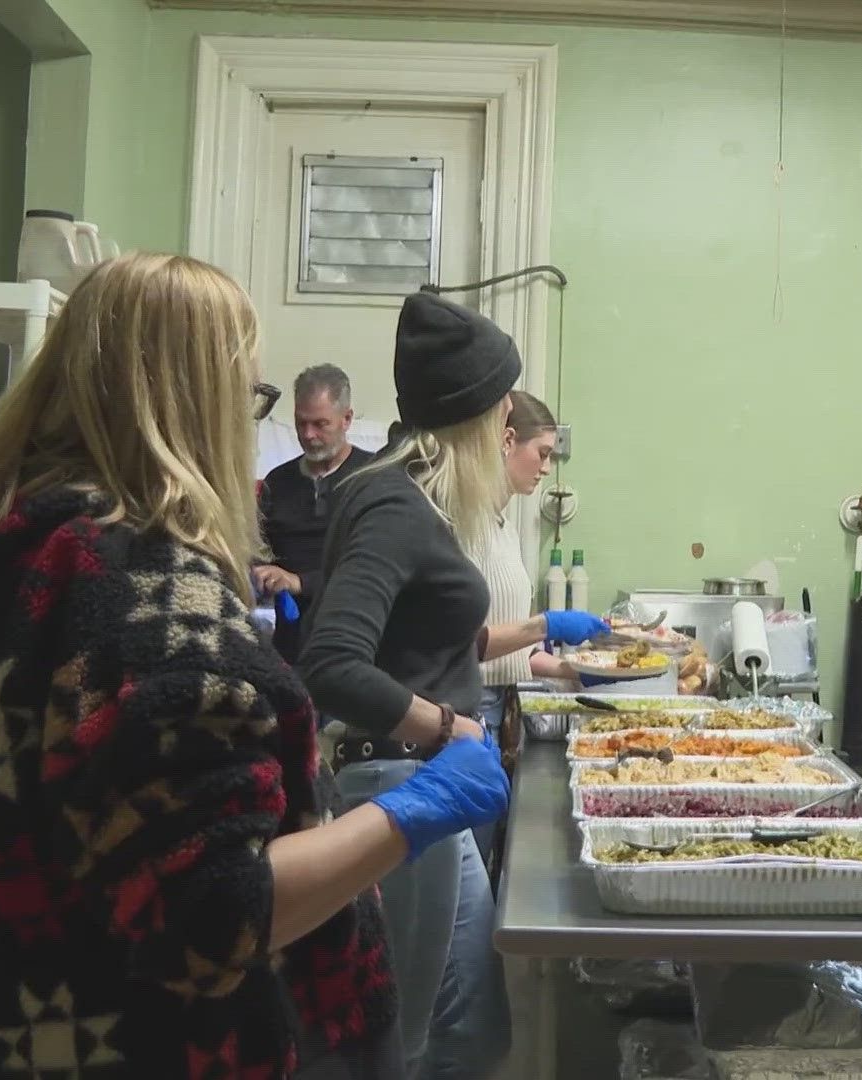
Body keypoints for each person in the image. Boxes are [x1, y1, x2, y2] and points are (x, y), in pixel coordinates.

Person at [0, 252, 508, 1080]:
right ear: (193, 402)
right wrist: (413, 812)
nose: (251, 423)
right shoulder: (134, 586)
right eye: (251, 397)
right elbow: (216, 913)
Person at [300, 292, 592, 1080]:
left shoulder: (421, 503)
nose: (510, 429)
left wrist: (537, 637)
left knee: (474, 1033)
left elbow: (423, 637)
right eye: (503, 411)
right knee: (407, 1043)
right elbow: (331, 663)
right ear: (475, 417)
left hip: (426, 781)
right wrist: (447, 728)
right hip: (398, 783)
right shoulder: (393, 502)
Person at [470, 390, 597, 867]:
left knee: (488, 855)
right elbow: (466, 645)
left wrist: (570, 669)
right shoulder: (470, 524)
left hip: (499, 705)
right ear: (506, 442)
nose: (546, 468)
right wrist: (544, 624)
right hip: (470, 710)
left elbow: (509, 654)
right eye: (542, 454)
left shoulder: (502, 524)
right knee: (475, 857)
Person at [255, 364, 376, 660]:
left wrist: (300, 582)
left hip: (358, 648)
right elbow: (259, 553)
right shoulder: (277, 482)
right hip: (291, 648)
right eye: (300, 422)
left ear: (346, 419)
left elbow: (376, 570)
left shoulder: (375, 479)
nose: (308, 435)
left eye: (320, 424)